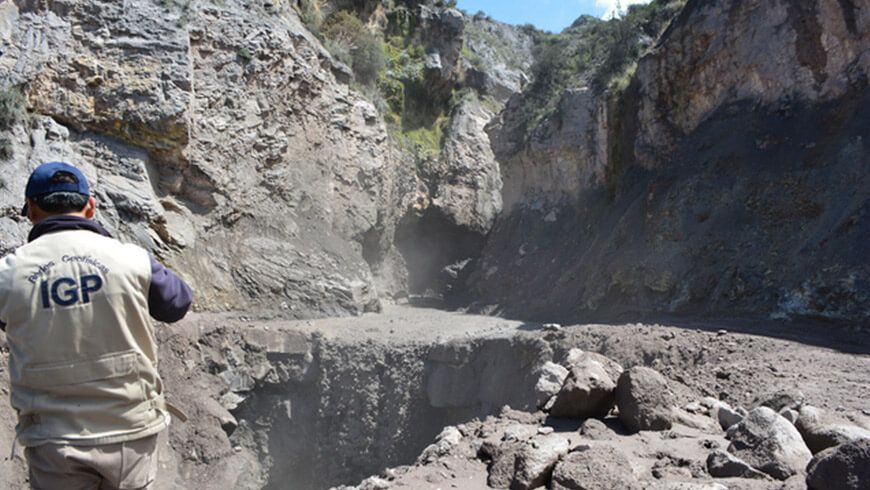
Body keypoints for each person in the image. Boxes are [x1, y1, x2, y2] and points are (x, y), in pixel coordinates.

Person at [0, 162, 193, 489]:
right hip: (130, 432)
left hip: (54, 439)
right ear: (90, 206)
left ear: (31, 209)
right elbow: (177, 304)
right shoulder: (132, 259)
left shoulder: (8, 275)